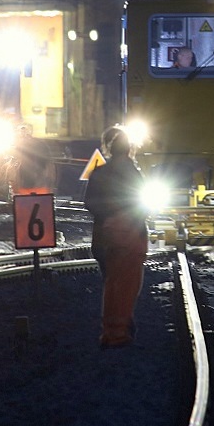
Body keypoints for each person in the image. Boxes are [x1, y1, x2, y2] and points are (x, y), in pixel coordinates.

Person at [82, 125, 148, 349]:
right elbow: (142, 206)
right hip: (130, 237)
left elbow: (89, 203)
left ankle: (111, 330)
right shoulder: (134, 174)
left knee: (111, 283)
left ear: (109, 149)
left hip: (104, 237)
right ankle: (120, 331)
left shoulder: (99, 172)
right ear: (130, 149)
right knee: (127, 286)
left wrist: (107, 217)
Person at [12, 123, 56, 195]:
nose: (23, 134)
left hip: (38, 185)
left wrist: (49, 184)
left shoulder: (40, 145)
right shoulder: (18, 147)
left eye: (25, 130)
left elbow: (49, 165)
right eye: (21, 131)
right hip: (25, 186)